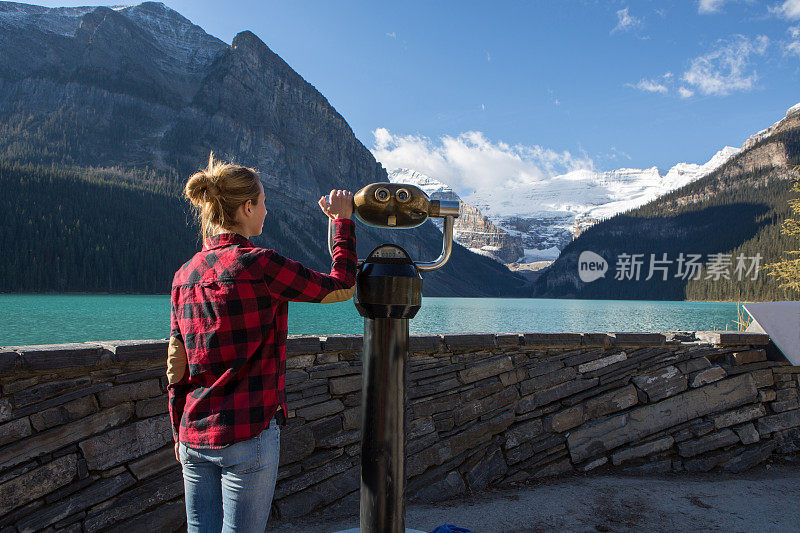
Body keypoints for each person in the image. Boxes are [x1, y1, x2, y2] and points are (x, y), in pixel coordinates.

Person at [166, 153, 357, 532]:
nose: (266, 212)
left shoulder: (183, 274)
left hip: (193, 433)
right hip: (247, 432)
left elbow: (176, 362)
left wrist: (177, 429)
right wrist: (342, 223)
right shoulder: (261, 264)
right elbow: (341, 286)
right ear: (247, 206)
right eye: (264, 203)